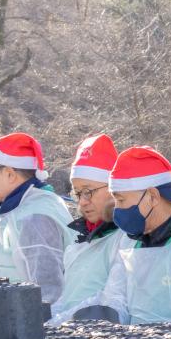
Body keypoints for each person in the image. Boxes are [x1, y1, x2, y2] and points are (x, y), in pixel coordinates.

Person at [53, 145, 171, 324]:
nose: (117, 209)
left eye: (121, 200)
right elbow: (114, 300)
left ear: (153, 196)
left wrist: (148, 337)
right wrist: (64, 322)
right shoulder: (130, 242)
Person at [50, 134, 126, 319]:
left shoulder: (125, 238)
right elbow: (67, 298)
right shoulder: (81, 240)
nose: (82, 202)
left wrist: (58, 322)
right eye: (77, 193)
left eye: (88, 191)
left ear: (113, 189)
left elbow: (108, 302)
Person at [0, 132, 74, 303]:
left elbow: (48, 294)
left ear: (9, 174)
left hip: (29, 317)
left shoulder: (36, 218)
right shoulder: (20, 208)